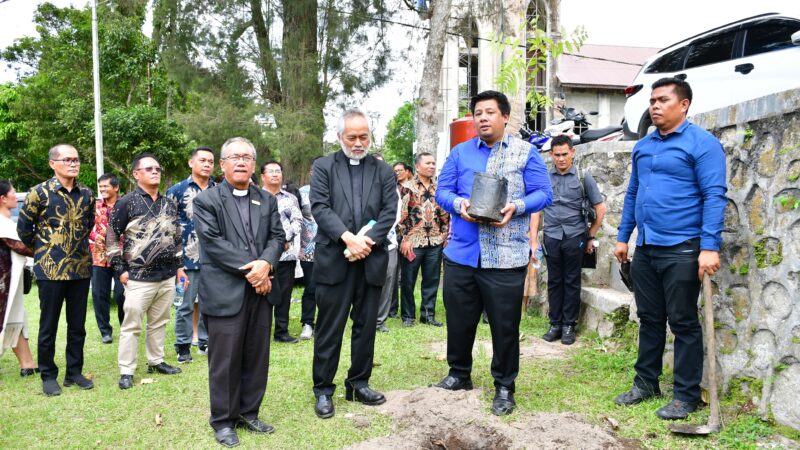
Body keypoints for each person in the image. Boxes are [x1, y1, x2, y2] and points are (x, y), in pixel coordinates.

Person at [613, 77, 727, 420]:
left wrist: (709, 247)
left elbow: (714, 196)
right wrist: (623, 236)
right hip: (646, 247)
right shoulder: (644, 146)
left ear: (684, 105)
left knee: (682, 321)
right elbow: (633, 193)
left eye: (663, 100)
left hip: (683, 247)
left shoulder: (703, 144)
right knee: (649, 318)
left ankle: (685, 395)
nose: (655, 106)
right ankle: (646, 383)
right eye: (652, 100)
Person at [433, 91, 552, 416]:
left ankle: (504, 386)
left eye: (489, 112)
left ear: (504, 117)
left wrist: (519, 206)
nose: (482, 117)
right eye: (477, 113)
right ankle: (459, 374)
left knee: (504, 326)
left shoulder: (525, 153)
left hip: (505, 257)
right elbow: (441, 191)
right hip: (462, 255)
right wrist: (460, 205)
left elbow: (544, 194)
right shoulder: (460, 154)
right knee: (458, 321)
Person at [193, 137, 285, 447]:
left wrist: (266, 264)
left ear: (254, 165)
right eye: (234, 157)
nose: (241, 162)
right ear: (222, 164)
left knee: (257, 355)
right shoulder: (207, 200)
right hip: (225, 290)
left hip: (260, 291)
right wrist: (256, 270)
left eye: (247, 157)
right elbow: (214, 244)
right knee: (225, 360)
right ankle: (223, 420)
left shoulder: (267, 199)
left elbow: (277, 237)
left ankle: (249, 412)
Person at [309, 109, 398, 419]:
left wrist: (365, 242)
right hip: (335, 259)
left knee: (366, 326)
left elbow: (390, 211)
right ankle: (323, 389)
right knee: (329, 328)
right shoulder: (323, 167)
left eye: (364, 137)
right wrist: (348, 238)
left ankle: (359, 383)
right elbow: (320, 207)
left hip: (370, 259)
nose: (359, 143)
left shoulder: (383, 170)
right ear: (339, 137)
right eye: (352, 137)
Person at [17, 144, 95, 396]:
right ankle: (48, 375)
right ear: (53, 163)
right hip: (49, 271)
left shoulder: (86, 193)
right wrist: (43, 252)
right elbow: (24, 229)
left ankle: (74, 372)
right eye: (67, 160)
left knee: (77, 325)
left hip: (80, 269)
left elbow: (88, 224)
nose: (73, 164)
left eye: (76, 159)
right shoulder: (38, 193)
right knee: (48, 325)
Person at [107, 153, 185, 390]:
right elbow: (111, 235)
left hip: (166, 275)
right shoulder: (126, 202)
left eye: (158, 169)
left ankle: (156, 360)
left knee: (159, 322)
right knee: (132, 325)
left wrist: (180, 267)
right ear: (136, 174)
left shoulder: (169, 202)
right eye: (149, 169)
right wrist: (119, 269)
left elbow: (176, 235)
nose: (155, 172)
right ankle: (127, 370)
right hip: (138, 277)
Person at [530, 135, 606, 345]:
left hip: (575, 236)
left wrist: (591, 235)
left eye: (565, 154)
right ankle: (555, 323)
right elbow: (536, 210)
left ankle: (568, 326)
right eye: (557, 155)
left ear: (573, 152)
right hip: (552, 235)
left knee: (572, 280)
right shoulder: (545, 178)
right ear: (551, 155)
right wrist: (533, 239)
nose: (561, 159)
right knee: (555, 280)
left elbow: (600, 208)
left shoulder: (583, 177)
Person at [166, 147, 216, 363]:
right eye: (202, 160)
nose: (207, 164)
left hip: (215, 258)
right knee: (184, 304)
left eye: (210, 161)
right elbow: (167, 227)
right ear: (191, 163)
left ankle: (205, 341)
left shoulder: (219, 189)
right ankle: (183, 346)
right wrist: (175, 261)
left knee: (210, 304)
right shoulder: (177, 190)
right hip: (185, 259)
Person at [397, 151, 449, 327]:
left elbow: (444, 214)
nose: (432, 166)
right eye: (427, 163)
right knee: (408, 281)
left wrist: (444, 234)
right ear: (418, 167)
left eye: (433, 163)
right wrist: (403, 239)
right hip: (413, 242)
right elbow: (401, 216)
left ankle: (427, 315)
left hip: (434, 241)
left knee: (432, 280)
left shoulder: (439, 188)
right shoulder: (407, 187)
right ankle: (408, 316)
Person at [260, 160, 303, 344]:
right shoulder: (255, 197)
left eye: (278, 171)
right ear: (263, 176)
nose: (276, 174)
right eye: (271, 171)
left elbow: (298, 221)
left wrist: (284, 239)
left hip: (286, 254)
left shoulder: (290, 198)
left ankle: (281, 332)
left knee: (284, 294)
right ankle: (261, 332)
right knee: (262, 293)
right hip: (262, 256)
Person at [0, 180, 38, 377]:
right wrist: (51, 250)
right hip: (3, 283)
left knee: (16, 317)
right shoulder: (1, 223)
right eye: (13, 193)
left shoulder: (7, 221)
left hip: (10, 282)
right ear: (3, 199)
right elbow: (21, 246)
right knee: (5, 317)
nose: (17, 196)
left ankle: (28, 363)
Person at [90, 173, 126, 344]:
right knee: (99, 294)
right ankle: (105, 331)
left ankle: (125, 326)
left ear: (116, 187)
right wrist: (96, 236)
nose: (103, 189)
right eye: (101, 187)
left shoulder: (126, 204)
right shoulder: (94, 206)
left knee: (122, 294)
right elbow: (87, 226)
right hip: (99, 256)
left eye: (106, 186)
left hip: (122, 256)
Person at [298, 159, 321, 340]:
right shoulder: (301, 193)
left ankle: (325, 322)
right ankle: (307, 323)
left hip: (332, 248)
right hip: (308, 249)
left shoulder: (336, 192)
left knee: (330, 288)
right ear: (312, 172)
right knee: (311, 287)